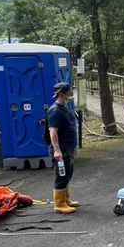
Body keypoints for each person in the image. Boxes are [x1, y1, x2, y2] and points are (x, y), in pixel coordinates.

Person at [48, 82, 79, 214]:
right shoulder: (55, 111)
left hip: (68, 148)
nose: (72, 92)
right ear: (62, 93)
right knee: (61, 176)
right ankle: (59, 204)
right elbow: (53, 132)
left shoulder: (64, 107)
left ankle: (66, 199)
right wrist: (57, 150)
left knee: (67, 174)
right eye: (70, 91)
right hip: (62, 150)